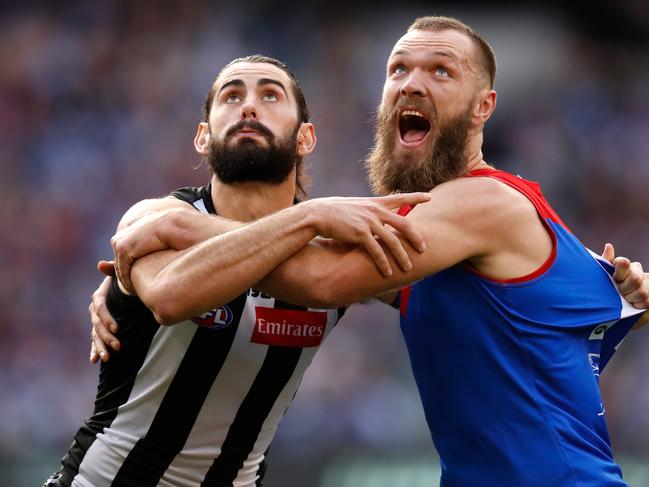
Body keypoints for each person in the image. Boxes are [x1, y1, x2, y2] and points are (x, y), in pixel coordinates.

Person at [89, 17, 649, 486]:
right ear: (201, 135)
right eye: (398, 68)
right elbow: (561, 311)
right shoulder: (436, 244)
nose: (411, 82)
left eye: (440, 71)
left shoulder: (485, 202)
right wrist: (627, 299)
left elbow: (323, 276)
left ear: (484, 107)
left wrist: (184, 235)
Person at [44, 55, 431, 487]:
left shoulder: (333, 246)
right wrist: (311, 217)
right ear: (203, 138)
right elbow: (171, 299)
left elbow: (443, 292)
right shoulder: (155, 217)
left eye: (270, 94)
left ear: (306, 137)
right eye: (231, 96)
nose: (249, 106)